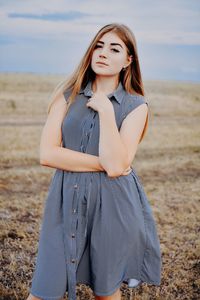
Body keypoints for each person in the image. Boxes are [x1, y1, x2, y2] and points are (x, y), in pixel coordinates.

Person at [27, 23, 162, 300]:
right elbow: (48, 154)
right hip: (64, 203)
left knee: (106, 293)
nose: (103, 53)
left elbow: (117, 167)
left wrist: (105, 111)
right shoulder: (67, 96)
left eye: (114, 48)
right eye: (99, 45)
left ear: (128, 61)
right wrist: (109, 162)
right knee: (42, 292)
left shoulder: (136, 106)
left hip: (113, 207)